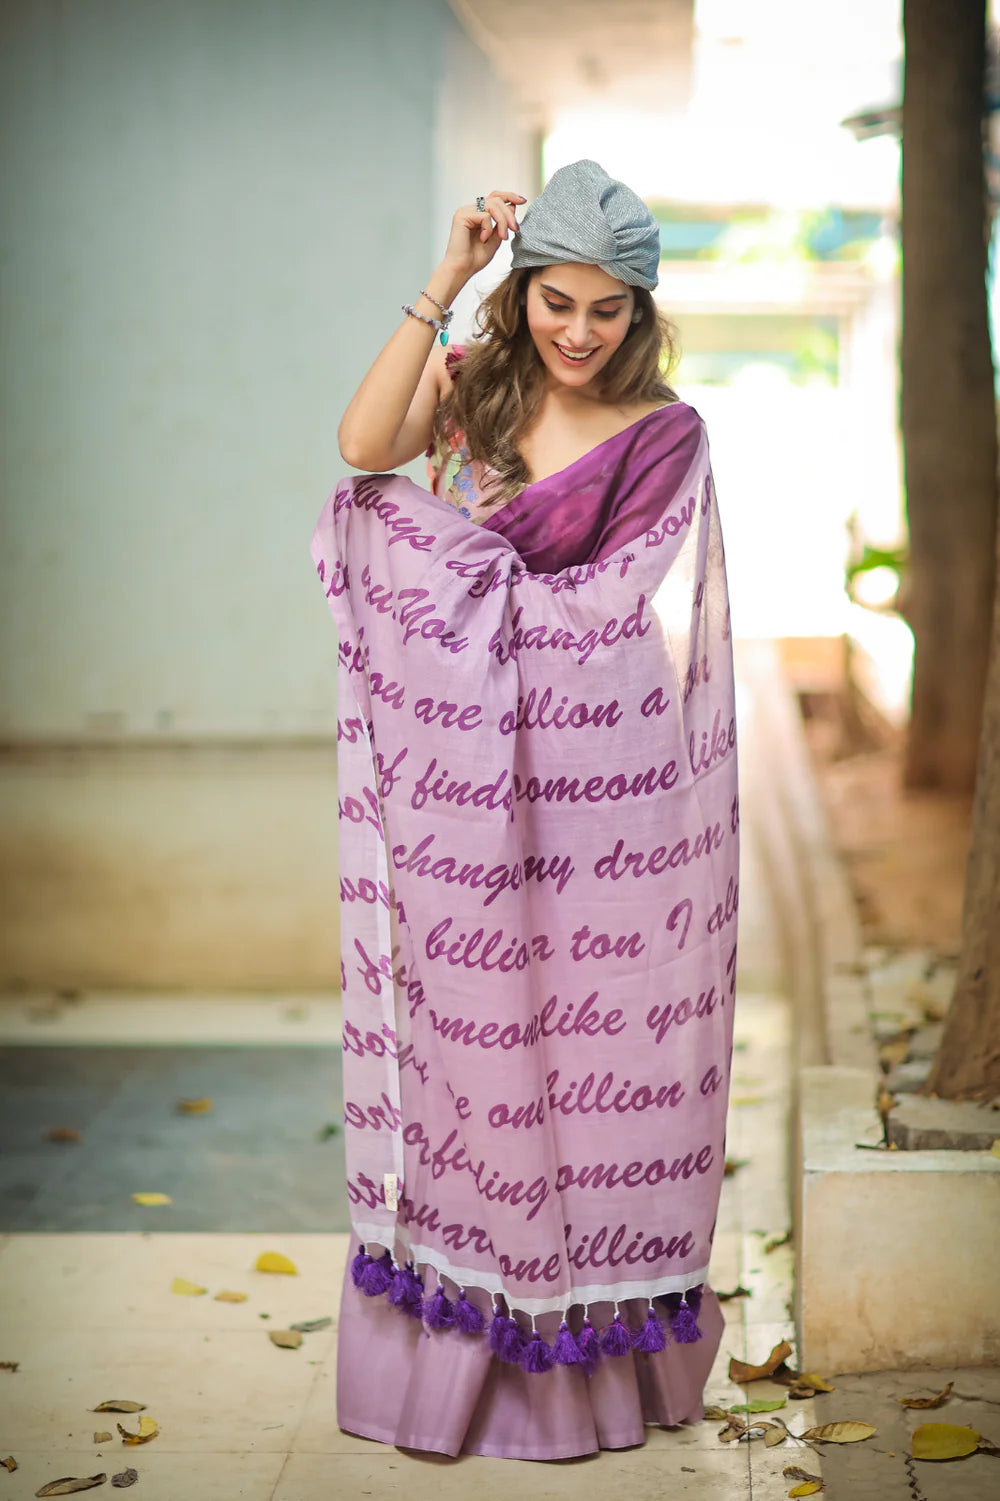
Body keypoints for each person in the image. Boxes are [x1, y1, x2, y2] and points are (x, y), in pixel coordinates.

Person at [311, 160, 739, 1461]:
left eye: (609, 309)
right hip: (461, 794)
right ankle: (469, 1371)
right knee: (478, 1064)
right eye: (559, 301)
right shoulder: (471, 387)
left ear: (641, 311)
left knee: (597, 1072)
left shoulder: (664, 435)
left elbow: (612, 609)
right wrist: (447, 277)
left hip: (607, 796)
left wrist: (474, 594)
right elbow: (362, 454)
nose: (580, 332)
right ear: (525, 290)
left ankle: (589, 1373)